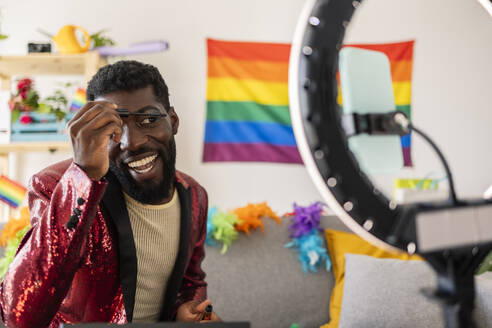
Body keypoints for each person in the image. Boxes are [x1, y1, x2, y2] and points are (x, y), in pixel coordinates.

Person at [0, 60, 220, 327]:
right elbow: (18, 316)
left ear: (172, 121)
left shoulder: (194, 194)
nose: (132, 142)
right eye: (113, 129)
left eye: (149, 120)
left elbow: (191, 282)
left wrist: (196, 313)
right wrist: (82, 175)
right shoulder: (55, 185)